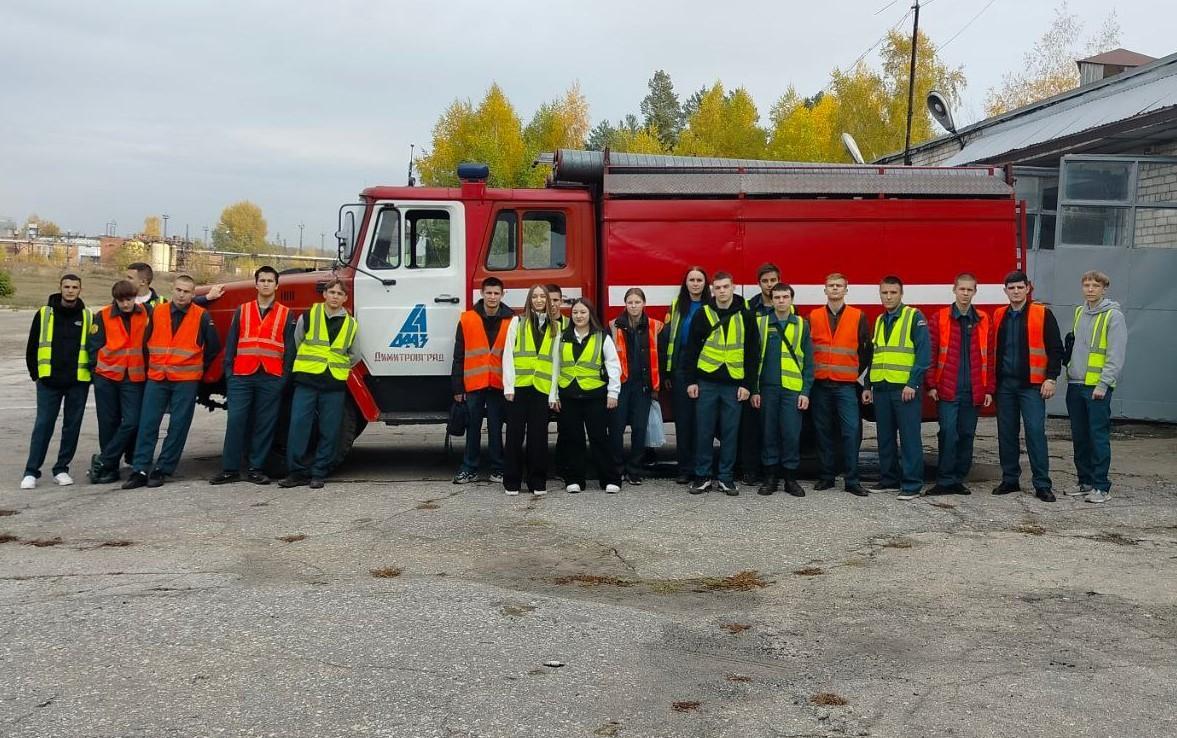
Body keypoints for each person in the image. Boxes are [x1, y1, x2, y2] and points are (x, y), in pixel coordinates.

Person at [123, 275, 221, 489]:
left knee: (178, 427)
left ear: (193, 294)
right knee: (148, 424)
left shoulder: (201, 316)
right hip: (157, 378)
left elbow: (213, 347)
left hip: (186, 380)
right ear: (172, 289)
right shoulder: (157, 311)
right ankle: (140, 469)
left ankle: (162, 469)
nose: (181, 294)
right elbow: (146, 342)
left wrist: (197, 368)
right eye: (178, 290)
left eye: (186, 291)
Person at [210, 266, 296, 486]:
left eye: (270, 280)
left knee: (264, 424)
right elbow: (231, 344)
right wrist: (230, 374)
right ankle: (230, 469)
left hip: (271, 376)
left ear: (277, 285)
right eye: (262, 280)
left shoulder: (286, 314)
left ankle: (256, 469)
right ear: (255, 284)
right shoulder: (243, 310)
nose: (266, 284)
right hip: (242, 375)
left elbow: (289, 350)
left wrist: (282, 378)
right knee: (236, 421)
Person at [684, 272, 759, 495]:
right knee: (704, 431)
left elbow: (752, 353)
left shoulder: (746, 314)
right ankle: (703, 476)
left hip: (734, 385)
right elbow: (692, 350)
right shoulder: (702, 314)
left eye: (726, 286)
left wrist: (748, 385)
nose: (722, 291)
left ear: (733, 287)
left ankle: (726, 478)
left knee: (730, 433)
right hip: (706, 381)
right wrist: (691, 381)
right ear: (712, 290)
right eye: (718, 287)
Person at [278, 279, 359, 489]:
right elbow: (297, 341)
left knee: (329, 430)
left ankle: (319, 472)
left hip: (333, 384)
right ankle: (296, 472)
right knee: (298, 426)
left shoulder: (350, 324)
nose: (335, 296)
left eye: (339, 294)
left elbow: (355, 355)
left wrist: (336, 365)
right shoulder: (309, 315)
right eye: (331, 292)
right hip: (307, 380)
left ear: (345, 298)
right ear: (324, 294)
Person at [992, 270, 1064, 502]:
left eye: (1019, 287)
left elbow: (1055, 349)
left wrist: (1051, 378)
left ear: (1028, 288)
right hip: (1005, 386)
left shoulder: (1042, 313)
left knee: (1035, 433)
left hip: (1032, 386)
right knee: (1007, 434)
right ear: (1005, 291)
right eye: (1011, 288)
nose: (1015, 292)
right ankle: (1010, 479)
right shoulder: (998, 315)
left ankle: (1042, 484)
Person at [20, 274, 92, 489]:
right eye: (67, 286)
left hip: (77, 382)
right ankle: (31, 471)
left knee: (72, 427)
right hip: (48, 382)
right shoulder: (44, 314)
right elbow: (32, 347)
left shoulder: (88, 316)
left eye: (75, 287)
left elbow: (93, 347)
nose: (70, 290)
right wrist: (37, 375)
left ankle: (61, 469)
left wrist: (90, 376)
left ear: (80, 289)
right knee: (43, 425)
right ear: (60, 288)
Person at [925, 273, 994, 496]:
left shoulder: (983, 320)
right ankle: (944, 480)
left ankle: (958, 478)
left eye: (969, 290)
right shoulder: (939, 318)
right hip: (947, 389)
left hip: (973, 389)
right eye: (961, 289)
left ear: (975, 291)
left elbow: (990, 357)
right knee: (947, 432)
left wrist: (988, 389)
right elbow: (931, 353)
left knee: (966, 434)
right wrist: (931, 384)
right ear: (954, 290)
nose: (965, 293)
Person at [863, 276, 930, 501]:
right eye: (885, 293)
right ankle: (889, 479)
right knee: (885, 437)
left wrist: (913, 383)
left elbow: (923, 354)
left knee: (910, 438)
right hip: (881, 387)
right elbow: (875, 355)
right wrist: (868, 384)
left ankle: (912, 484)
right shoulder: (881, 320)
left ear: (901, 294)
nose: (888, 297)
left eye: (893, 293)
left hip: (904, 389)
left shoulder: (914, 317)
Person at [1064, 270, 1127, 504]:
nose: (1090, 289)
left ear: (1104, 289)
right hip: (1076, 384)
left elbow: (1115, 355)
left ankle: (1101, 486)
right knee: (1080, 437)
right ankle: (1085, 482)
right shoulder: (1080, 312)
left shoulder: (1113, 316)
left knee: (1097, 437)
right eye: (1087, 285)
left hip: (1097, 388)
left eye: (1095, 286)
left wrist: (1103, 383)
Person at [808, 273, 871, 496]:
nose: (834, 289)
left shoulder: (858, 316)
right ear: (824, 290)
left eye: (839, 286)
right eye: (830, 286)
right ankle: (827, 477)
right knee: (823, 432)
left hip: (846, 385)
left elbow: (866, 351)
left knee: (851, 431)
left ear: (846, 290)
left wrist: (854, 370)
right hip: (820, 384)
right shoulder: (814, 316)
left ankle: (852, 480)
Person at [552, 298, 622, 494]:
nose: (579, 316)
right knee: (572, 439)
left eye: (583, 312)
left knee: (599, 438)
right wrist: (554, 395)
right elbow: (555, 368)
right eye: (575, 313)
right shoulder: (561, 337)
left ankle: (610, 479)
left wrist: (613, 392)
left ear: (590, 314)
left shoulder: (602, 337)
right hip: (568, 396)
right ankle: (574, 479)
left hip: (595, 396)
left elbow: (614, 366)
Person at [751, 283, 813, 497]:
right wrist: (754, 390)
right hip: (767, 388)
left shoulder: (802, 325)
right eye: (777, 297)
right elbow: (752, 359)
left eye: (785, 297)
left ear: (791, 299)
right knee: (768, 434)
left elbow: (809, 362)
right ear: (771, 299)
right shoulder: (761, 323)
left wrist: (805, 391)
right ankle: (770, 479)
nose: (781, 301)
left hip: (792, 390)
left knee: (791, 434)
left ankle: (790, 479)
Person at [451, 277, 514, 484]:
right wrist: (458, 387)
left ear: (502, 295)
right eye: (489, 293)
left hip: (498, 383)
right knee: (473, 427)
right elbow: (458, 356)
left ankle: (498, 468)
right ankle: (469, 468)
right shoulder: (467, 319)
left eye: (496, 293)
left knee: (496, 428)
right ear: (482, 293)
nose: (492, 297)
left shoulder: (513, 320)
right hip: (474, 384)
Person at [87, 279, 150, 484]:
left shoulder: (146, 312)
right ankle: (111, 469)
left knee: (132, 421)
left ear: (135, 297)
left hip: (133, 376)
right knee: (108, 423)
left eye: (129, 299)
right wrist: (96, 371)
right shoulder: (103, 315)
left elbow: (173, 305)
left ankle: (104, 460)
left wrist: (205, 297)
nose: (125, 304)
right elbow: (93, 346)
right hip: (106, 377)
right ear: (115, 300)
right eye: (121, 300)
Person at [502, 284, 558, 496]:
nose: (539, 300)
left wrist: (553, 394)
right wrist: (509, 385)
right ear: (529, 300)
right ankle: (512, 482)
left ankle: (537, 481)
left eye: (542, 296)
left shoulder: (555, 328)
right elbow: (508, 354)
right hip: (519, 387)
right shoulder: (517, 321)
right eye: (534, 296)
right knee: (514, 436)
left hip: (541, 388)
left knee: (539, 437)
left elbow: (556, 362)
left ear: (547, 300)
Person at [609, 288, 662, 485]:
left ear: (644, 304)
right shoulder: (613, 326)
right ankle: (617, 468)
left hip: (643, 385)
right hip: (620, 385)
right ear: (625, 304)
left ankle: (634, 470)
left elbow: (660, 356)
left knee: (640, 429)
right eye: (630, 302)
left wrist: (657, 385)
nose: (633, 306)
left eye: (637, 302)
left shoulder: (655, 326)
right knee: (616, 429)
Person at [662, 266, 708, 484]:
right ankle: (684, 468)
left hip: (705, 366)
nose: (696, 283)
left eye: (699, 279)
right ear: (686, 283)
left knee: (702, 421)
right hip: (681, 366)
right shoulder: (677, 305)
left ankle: (702, 468)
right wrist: (669, 371)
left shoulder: (711, 306)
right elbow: (671, 339)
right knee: (683, 420)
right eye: (692, 279)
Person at [739, 263, 779, 485]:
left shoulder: (787, 306)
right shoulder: (750, 307)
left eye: (773, 280)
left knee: (772, 426)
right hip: (753, 374)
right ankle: (750, 470)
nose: (770, 285)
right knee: (750, 428)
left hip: (777, 375)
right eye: (765, 281)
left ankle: (771, 470)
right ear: (759, 283)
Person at [125, 262, 224, 309]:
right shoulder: (120, 300)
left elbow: (180, 302)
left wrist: (207, 298)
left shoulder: (159, 302)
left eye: (130, 278)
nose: (125, 281)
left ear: (143, 282)